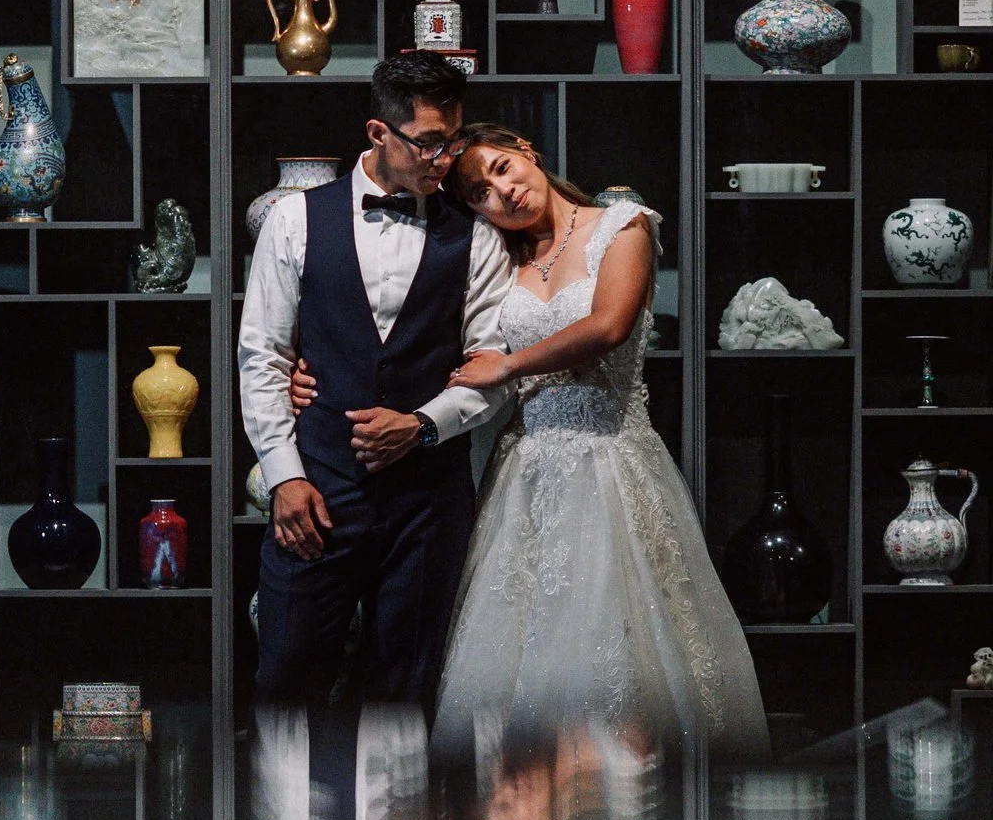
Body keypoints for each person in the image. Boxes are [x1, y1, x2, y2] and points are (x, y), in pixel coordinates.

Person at [293, 124, 768, 756]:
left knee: (615, 644)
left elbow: (608, 326)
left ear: (526, 152)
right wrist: (318, 379)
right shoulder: (499, 258)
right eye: (481, 193)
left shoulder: (621, 227)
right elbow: (432, 348)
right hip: (521, 467)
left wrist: (511, 365)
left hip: (607, 461)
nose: (502, 192)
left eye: (501, 168)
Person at [237, 53, 513, 712]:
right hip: (318, 490)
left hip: (429, 503)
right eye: (426, 142)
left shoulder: (475, 237)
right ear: (377, 133)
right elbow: (264, 357)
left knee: (406, 698)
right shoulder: (293, 220)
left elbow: (494, 367)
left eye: (452, 140)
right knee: (286, 685)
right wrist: (286, 476)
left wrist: (420, 426)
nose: (442, 159)